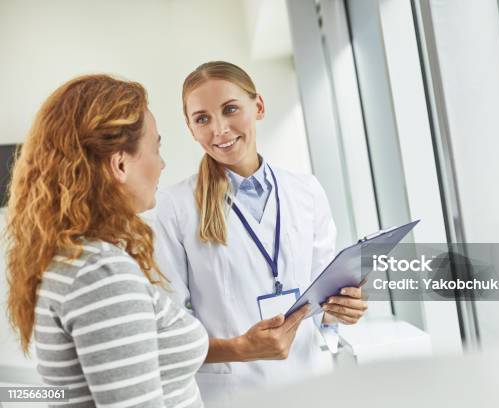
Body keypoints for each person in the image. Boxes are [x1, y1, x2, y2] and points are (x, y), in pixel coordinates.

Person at [154, 61, 368, 406]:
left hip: (309, 383)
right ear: (191, 129)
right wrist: (240, 349)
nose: (219, 129)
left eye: (230, 109)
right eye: (202, 118)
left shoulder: (306, 191)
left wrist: (341, 309)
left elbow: (322, 296)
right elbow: (169, 330)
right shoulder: (173, 207)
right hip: (232, 393)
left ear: (259, 107)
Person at [5, 74, 207, 407]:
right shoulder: (99, 272)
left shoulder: (78, 260)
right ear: (120, 163)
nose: (162, 163)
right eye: (156, 147)